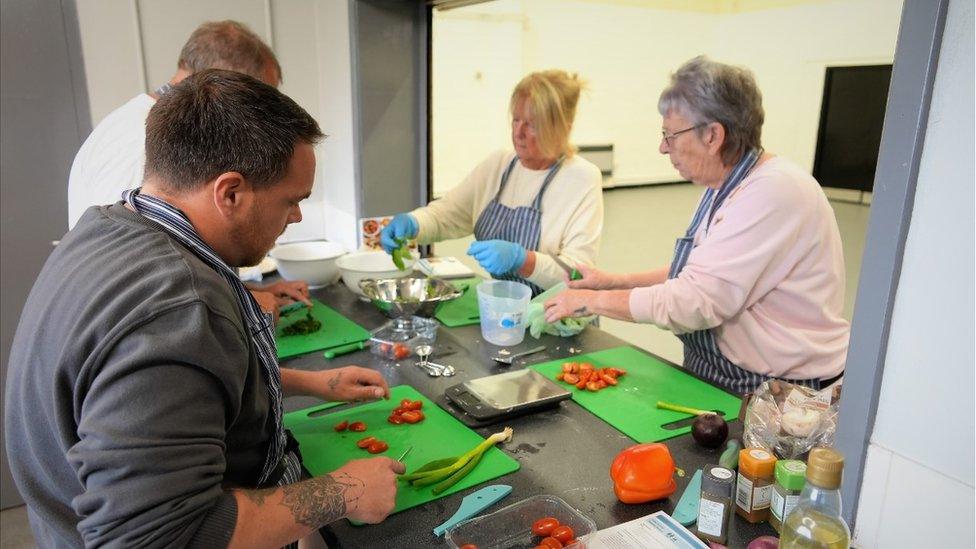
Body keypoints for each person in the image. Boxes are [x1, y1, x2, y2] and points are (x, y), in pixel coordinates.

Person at [5, 70, 403, 548]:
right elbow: (157, 537)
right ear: (230, 193)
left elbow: (169, 385)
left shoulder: (106, 228)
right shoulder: (178, 309)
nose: (296, 216)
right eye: (291, 201)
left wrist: (308, 382)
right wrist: (343, 492)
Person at [544, 56, 850, 394]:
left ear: (713, 136)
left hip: (778, 389)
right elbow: (696, 272)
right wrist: (611, 282)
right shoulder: (724, 183)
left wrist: (590, 301)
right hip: (724, 373)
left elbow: (694, 301)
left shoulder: (774, 192)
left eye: (670, 135)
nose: (663, 147)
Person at [66, 19, 307, 315]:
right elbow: (146, 285)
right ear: (223, 85)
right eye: (259, 102)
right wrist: (245, 308)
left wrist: (247, 293)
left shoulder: (142, 123)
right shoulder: (140, 145)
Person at [380, 69, 604, 296]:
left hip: (558, 317)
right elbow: (448, 214)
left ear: (561, 128)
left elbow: (578, 276)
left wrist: (523, 261)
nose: (518, 132)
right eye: (516, 120)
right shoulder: (499, 165)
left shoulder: (581, 179)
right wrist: (415, 223)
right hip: (507, 308)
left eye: (532, 124)